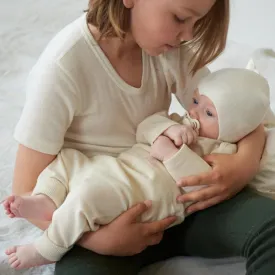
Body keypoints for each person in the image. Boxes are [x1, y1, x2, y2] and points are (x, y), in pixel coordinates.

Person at [5, 0, 275, 274]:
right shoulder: (63, 66)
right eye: (181, 19)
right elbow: (26, 190)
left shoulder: (169, 50)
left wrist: (245, 163)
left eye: (196, 22)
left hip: (183, 203)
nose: (189, 35)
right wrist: (99, 240)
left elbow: (236, 112)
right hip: (106, 222)